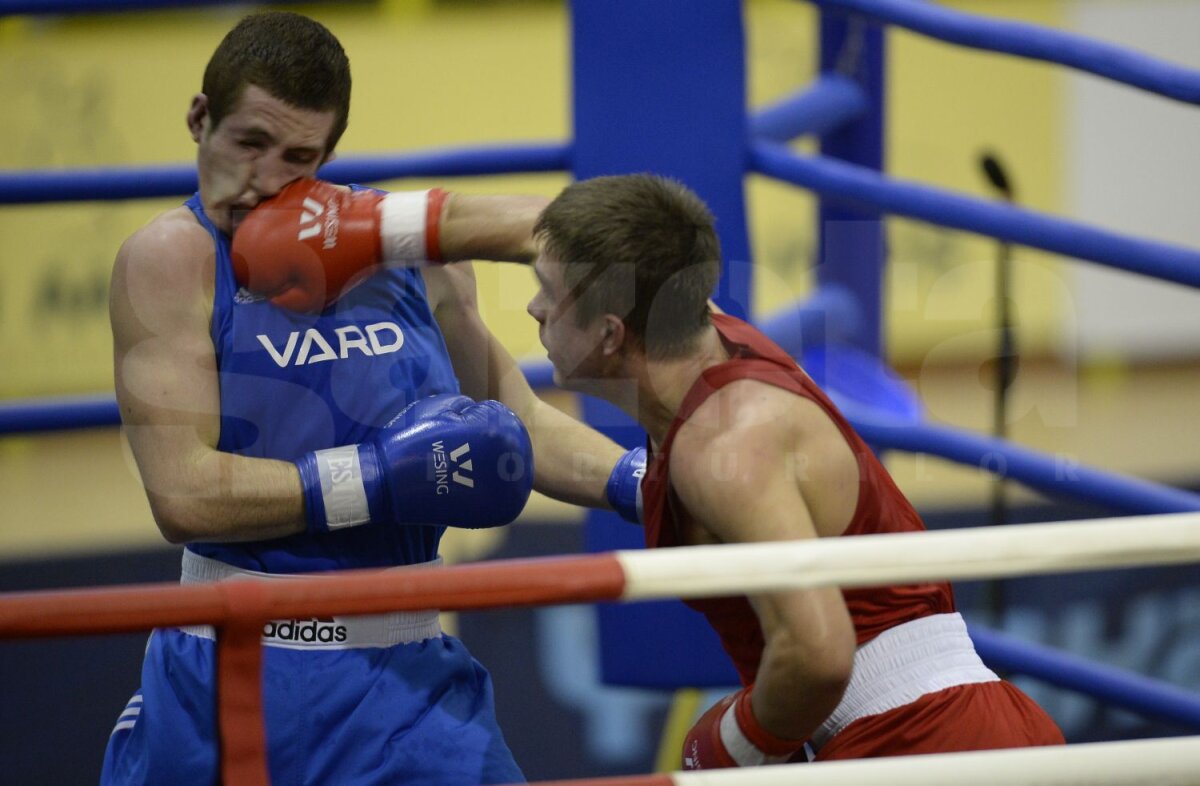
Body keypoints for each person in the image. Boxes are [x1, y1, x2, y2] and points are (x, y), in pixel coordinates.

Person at [103, 11, 642, 785]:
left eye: (297, 158)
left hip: (411, 672)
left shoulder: (411, 260)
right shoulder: (172, 260)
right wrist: (379, 474)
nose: (261, 181)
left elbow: (518, 423)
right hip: (241, 668)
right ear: (199, 119)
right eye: (248, 143)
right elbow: (184, 494)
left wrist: (641, 481)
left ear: (328, 155)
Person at [525, 173, 1065, 768]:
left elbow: (819, 653)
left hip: (917, 745)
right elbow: (525, 410)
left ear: (608, 334)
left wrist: (734, 743)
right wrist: (434, 264)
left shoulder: (721, 444)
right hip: (953, 730)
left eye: (548, 291)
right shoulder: (706, 327)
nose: (534, 307)